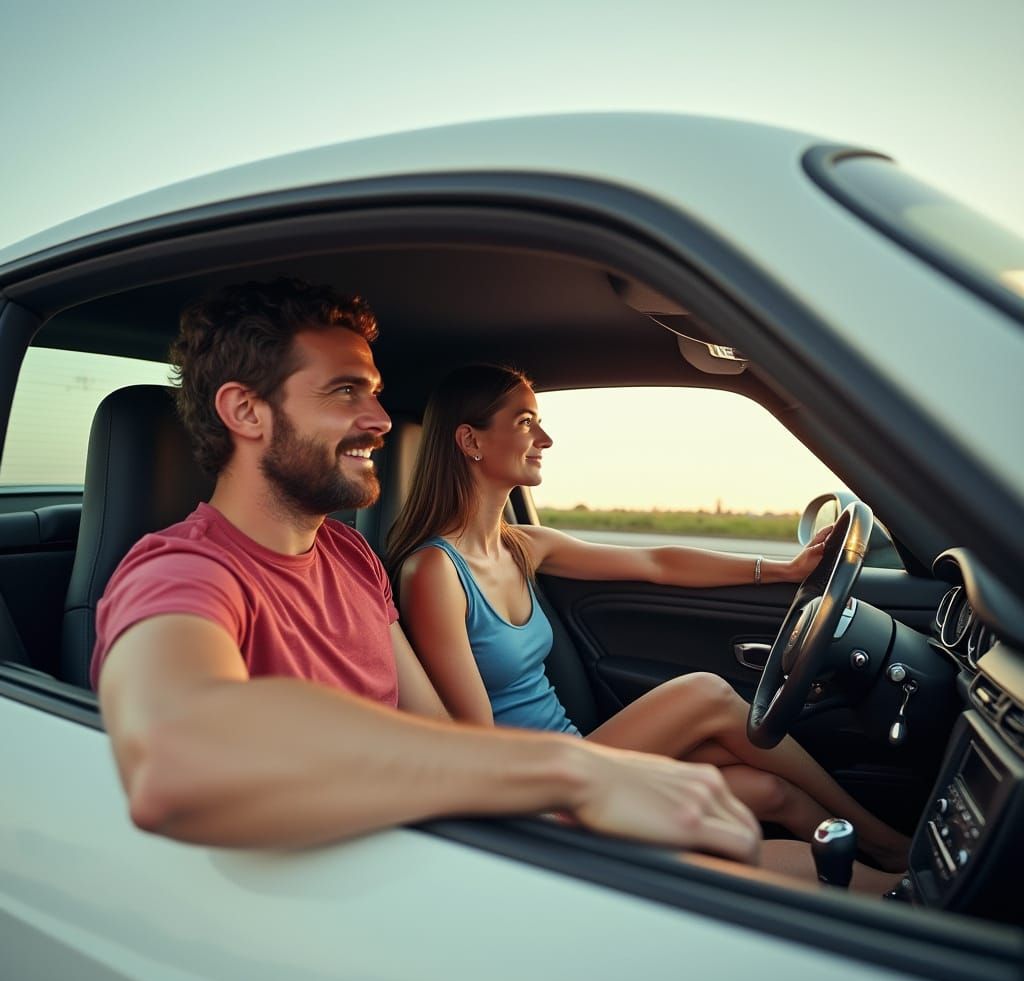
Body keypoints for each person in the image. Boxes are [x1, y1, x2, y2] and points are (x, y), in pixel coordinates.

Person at [94, 277, 761, 864]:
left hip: (450, 836)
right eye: (345, 392)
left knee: (787, 863)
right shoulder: (182, 572)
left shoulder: (351, 557)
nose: (382, 420)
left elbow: (444, 739)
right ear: (245, 411)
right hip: (376, 877)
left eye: (378, 393)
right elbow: (172, 761)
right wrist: (573, 770)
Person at [386, 364, 910, 872]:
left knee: (766, 789)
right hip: (537, 791)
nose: (545, 439)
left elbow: (655, 563)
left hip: (575, 753)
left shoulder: (523, 546)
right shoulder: (434, 571)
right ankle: (885, 847)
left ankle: (888, 871)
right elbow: (478, 743)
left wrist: (784, 569)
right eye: (526, 422)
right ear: (470, 441)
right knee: (705, 691)